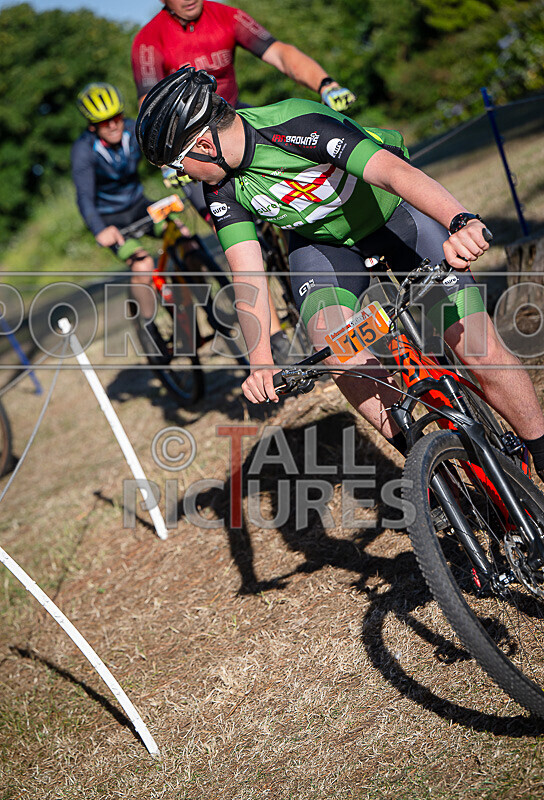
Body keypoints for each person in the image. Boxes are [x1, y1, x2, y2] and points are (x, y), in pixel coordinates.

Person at [135, 67, 544, 476]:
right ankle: (434, 472)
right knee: (337, 348)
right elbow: (248, 276)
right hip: (325, 250)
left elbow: (394, 174)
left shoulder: (296, 124)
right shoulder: (220, 188)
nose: (181, 176)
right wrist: (260, 361)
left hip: (394, 218)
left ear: (204, 144)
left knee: (477, 348)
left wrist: (461, 222)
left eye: (177, 165)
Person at [131, 0, 356, 364]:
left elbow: (279, 53)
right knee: (242, 243)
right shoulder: (149, 40)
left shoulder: (225, 15)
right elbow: (149, 104)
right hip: (196, 154)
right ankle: (274, 340)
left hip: (235, 129)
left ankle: (306, 278)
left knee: (293, 200)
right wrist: (170, 161)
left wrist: (325, 82)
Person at [71, 81, 196, 362]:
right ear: (93, 127)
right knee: (143, 263)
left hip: (140, 206)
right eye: (105, 122)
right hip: (112, 220)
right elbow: (84, 198)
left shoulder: (132, 129)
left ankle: (198, 296)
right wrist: (99, 229)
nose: (113, 126)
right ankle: (150, 328)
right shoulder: (83, 151)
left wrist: (171, 169)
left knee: (184, 236)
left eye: (116, 117)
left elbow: (160, 152)